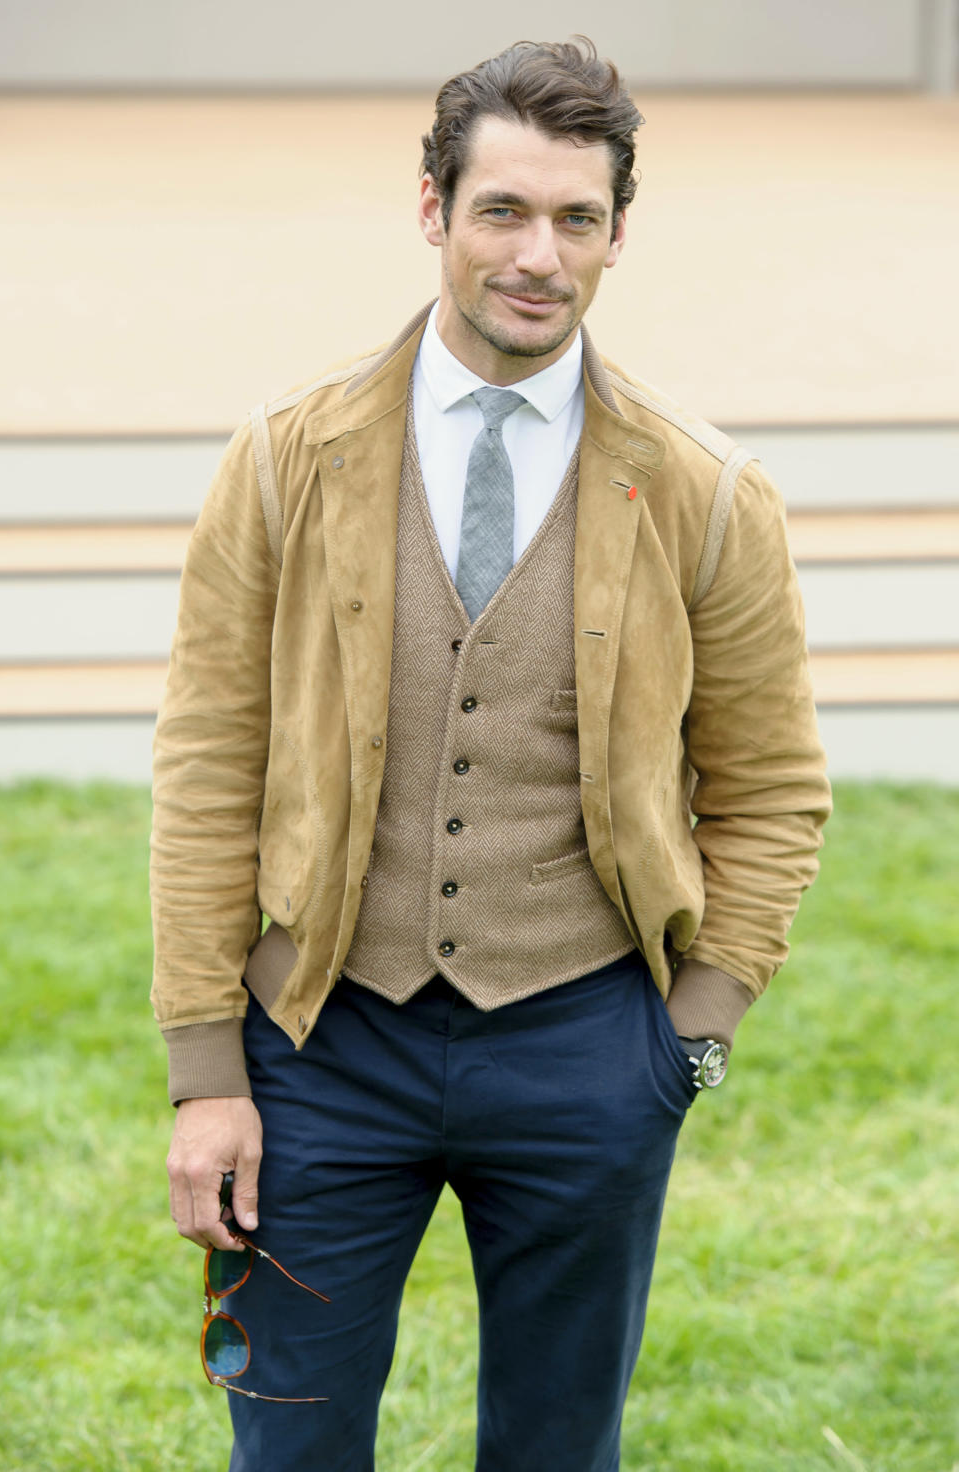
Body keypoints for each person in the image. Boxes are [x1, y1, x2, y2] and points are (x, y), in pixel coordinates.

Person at [152, 37, 830, 1471]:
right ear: (432, 211)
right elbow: (209, 767)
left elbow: (772, 792)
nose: (541, 255)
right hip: (321, 1042)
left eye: (577, 219)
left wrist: (686, 1044)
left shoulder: (706, 493)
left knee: (556, 1450)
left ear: (618, 235)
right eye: (503, 212)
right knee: (288, 1447)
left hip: (590, 1046)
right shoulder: (285, 459)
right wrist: (208, 1070)